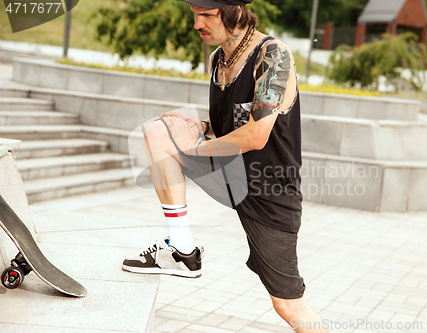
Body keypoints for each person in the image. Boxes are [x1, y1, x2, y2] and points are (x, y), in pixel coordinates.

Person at [122, 1, 329, 331]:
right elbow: (230, 125)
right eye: (194, 14)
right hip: (232, 175)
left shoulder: (273, 55)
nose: (196, 24)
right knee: (159, 131)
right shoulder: (218, 59)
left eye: (205, 15)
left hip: (269, 193)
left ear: (233, 11)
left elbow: (257, 134)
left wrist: (193, 149)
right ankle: (182, 250)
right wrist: (199, 126)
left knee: (288, 304)